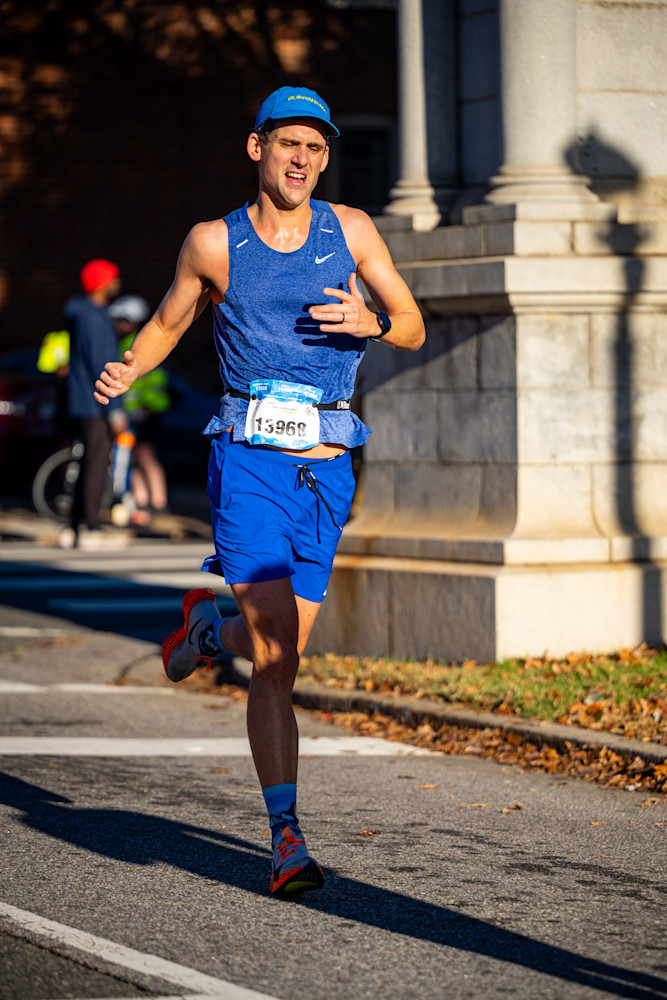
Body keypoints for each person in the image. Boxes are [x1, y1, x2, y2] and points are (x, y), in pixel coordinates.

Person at [94, 87, 425, 896]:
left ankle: (209, 629)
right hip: (247, 459)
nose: (302, 159)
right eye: (288, 144)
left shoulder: (352, 230)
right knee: (275, 648)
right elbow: (168, 323)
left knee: (282, 651)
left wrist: (373, 324)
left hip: (328, 467)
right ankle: (286, 839)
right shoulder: (215, 242)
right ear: (257, 148)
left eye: (315, 147)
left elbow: (412, 324)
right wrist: (128, 369)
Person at [59, 257, 132, 550]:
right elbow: (102, 365)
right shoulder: (94, 317)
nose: (118, 283)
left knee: (84, 462)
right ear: (102, 284)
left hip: (82, 400)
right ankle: (90, 527)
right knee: (96, 464)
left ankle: (74, 527)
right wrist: (114, 410)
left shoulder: (81, 313)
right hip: (97, 402)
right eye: (114, 278)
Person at [108, 295, 170, 524]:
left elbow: (152, 381)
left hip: (146, 412)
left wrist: (147, 406)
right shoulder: (125, 342)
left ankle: (159, 501)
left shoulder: (136, 344)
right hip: (133, 413)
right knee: (132, 457)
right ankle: (142, 501)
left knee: (145, 456)